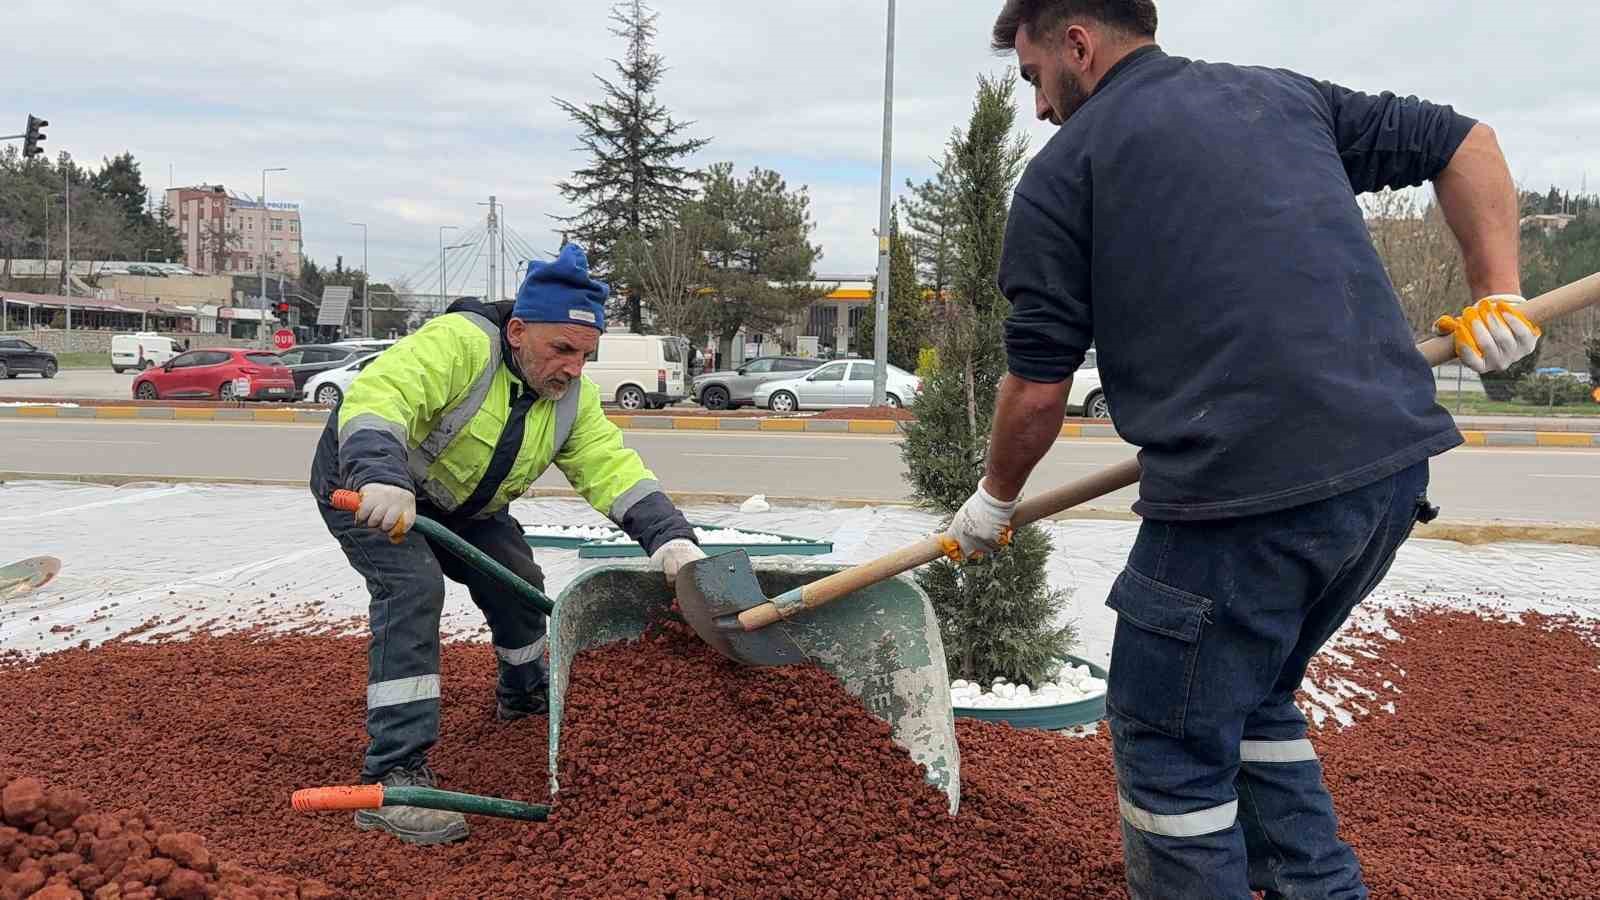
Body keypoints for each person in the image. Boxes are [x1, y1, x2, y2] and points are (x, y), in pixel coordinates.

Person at [959, 2, 1540, 897]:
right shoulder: (1282, 99)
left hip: (1241, 504)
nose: (1037, 106)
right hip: (1384, 479)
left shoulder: (1064, 172)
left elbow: (1038, 388)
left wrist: (995, 497)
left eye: (1034, 76)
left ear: (1076, 42)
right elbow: (1467, 141)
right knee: (1249, 698)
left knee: (1169, 745)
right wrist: (1500, 290)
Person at [308, 243, 706, 845]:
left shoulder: (571, 400)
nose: (574, 367)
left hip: (466, 506)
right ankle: (393, 772)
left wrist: (672, 540)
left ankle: (523, 697)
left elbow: (612, 468)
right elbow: (380, 396)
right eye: (562, 350)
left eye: (586, 355)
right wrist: (382, 476)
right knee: (413, 588)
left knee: (520, 585)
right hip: (369, 485)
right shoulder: (459, 344)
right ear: (518, 332)